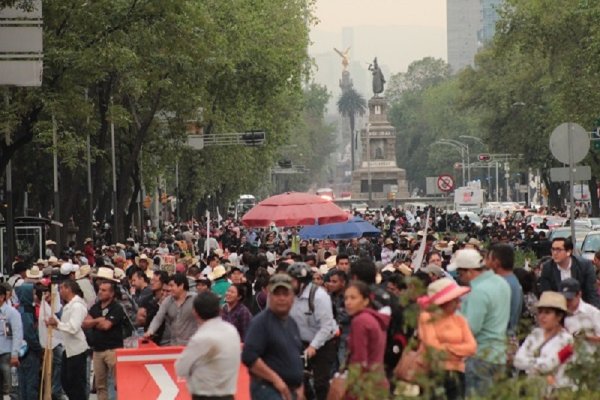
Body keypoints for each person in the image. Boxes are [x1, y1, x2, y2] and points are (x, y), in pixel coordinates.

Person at [451, 249, 510, 396]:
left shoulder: (479, 291)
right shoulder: (501, 283)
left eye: (460, 273)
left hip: (481, 356)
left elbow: (471, 328)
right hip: (499, 354)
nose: (460, 277)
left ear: (470, 271)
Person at [242, 274, 304, 400]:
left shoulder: (292, 323)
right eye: (277, 294)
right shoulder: (261, 322)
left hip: (291, 390)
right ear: (269, 296)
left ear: (292, 297)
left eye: (285, 294)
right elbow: (249, 357)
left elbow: (296, 357)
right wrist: (276, 381)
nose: (281, 298)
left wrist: (300, 387)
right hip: (268, 389)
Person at [417, 278, 477, 400]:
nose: (459, 304)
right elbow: (432, 348)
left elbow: (472, 347)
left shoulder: (460, 320)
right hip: (434, 373)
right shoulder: (426, 317)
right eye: (455, 300)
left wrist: (446, 347)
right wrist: (458, 350)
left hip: (458, 374)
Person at [175, 291, 241, 400]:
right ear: (219, 310)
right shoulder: (232, 331)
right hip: (229, 395)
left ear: (195, 312)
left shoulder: (201, 338)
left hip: (205, 395)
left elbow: (180, 369)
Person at [288, 262, 338, 400]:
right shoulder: (290, 296)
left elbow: (327, 327)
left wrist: (313, 346)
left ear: (302, 282)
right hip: (302, 343)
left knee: (320, 384)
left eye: (292, 280)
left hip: (324, 343)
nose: (289, 284)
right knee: (298, 380)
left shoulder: (320, 296)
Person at [514, 292, 575, 395]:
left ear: (559, 316)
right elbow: (517, 360)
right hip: (534, 389)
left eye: (547, 312)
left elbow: (549, 365)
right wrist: (537, 363)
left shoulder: (568, 341)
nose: (542, 316)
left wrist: (529, 362)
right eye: (540, 312)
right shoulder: (535, 334)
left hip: (558, 391)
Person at [344, 281, 390, 397]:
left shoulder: (360, 321)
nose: (348, 302)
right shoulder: (375, 319)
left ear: (365, 300)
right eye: (346, 298)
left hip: (365, 386)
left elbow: (359, 360)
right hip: (378, 381)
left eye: (353, 298)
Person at [45, 280, 89, 400]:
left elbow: (73, 327)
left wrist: (58, 324)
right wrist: (55, 325)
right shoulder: (69, 305)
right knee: (66, 381)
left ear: (68, 289)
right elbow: (66, 327)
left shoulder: (77, 306)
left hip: (77, 349)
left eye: (61, 288)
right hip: (68, 348)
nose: (60, 291)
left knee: (76, 383)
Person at [84, 280, 126, 400]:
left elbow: (106, 325)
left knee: (116, 383)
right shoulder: (95, 307)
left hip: (113, 350)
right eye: (99, 290)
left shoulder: (117, 308)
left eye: (104, 290)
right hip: (97, 351)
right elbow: (85, 323)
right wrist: (98, 320)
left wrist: (94, 322)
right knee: (100, 385)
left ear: (112, 293)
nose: (100, 292)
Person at [538, 238, 600, 308]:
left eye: (558, 250)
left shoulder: (584, 266)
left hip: (582, 308)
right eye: (553, 249)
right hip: (558, 309)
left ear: (569, 251)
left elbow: (591, 292)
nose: (554, 253)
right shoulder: (547, 268)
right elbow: (546, 295)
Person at [145, 273, 197, 345]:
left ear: (181, 286)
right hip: (174, 345)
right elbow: (158, 318)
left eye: (172, 286)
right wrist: (151, 330)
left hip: (192, 344)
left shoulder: (195, 299)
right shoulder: (168, 301)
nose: (169, 288)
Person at [15, 283, 42, 400]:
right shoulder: (26, 312)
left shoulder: (21, 309)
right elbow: (28, 333)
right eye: (33, 292)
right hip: (29, 351)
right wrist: (38, 347)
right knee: (30, 383)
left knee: (23, 383)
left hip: (22, 351)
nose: (35, 295)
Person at [560, 278, 600, 353]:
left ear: (579, 294)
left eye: (569, 299)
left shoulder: (592, 312)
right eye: (564, 299)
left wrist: (585, 337)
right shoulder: (561, 315)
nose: (567, 302)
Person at [0, 284, 22, 397]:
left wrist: (15, 354)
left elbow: (18, 333)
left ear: (2, 297)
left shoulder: (12, 312)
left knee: (12, 388)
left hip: (7, 354)